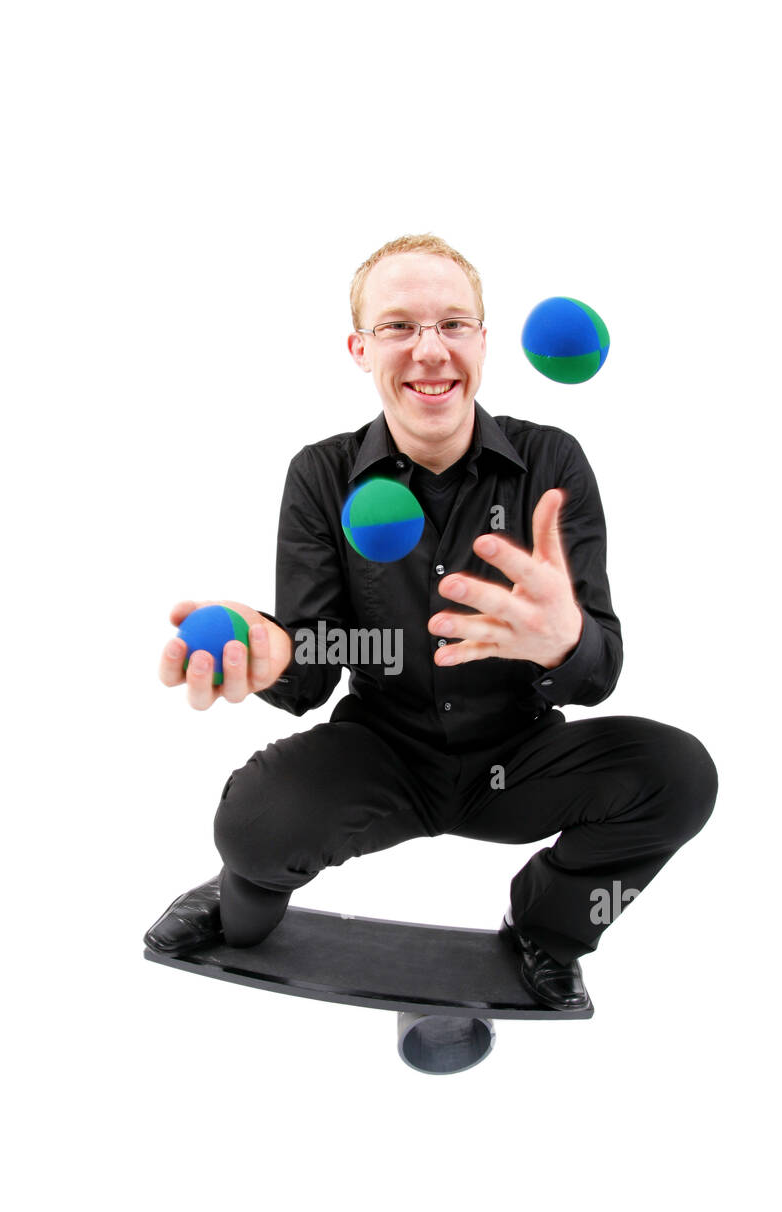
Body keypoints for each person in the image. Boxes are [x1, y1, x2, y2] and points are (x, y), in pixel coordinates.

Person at [144, 234, 718, 1010]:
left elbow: (599, 669)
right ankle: (236, 904)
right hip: (383, 751)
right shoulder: (320, 474)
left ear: (483, 340)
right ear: (359, 347)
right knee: (253, 827)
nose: (430, 350)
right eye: (398, 327)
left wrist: (565, 641)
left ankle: (551, 930)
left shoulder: (553, 463)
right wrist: (280, 650)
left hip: (521, 754)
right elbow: (313, 672)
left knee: (680, 777)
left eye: (453, 324)